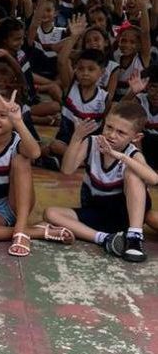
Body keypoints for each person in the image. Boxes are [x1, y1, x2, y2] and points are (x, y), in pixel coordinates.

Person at [0, 90, 73, 256]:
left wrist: (18, 121)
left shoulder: (17, 141)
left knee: (21, 160)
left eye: (3, 116)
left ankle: (20, 228)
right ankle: (35, 231)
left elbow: (34, 153)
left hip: (15, 203)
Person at [43, 102, 154, 262]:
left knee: (133, 173)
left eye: (121, 132)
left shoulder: (131, 154)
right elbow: (67, 169)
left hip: (125, 214)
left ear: (136, 137)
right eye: (109, 127)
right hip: (97, 211)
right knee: (51, 213)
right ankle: (105, 239)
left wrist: (121, 157)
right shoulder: (92, 143)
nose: (112, 135)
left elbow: (153, 178)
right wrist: (76, 138)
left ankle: (134, 238)